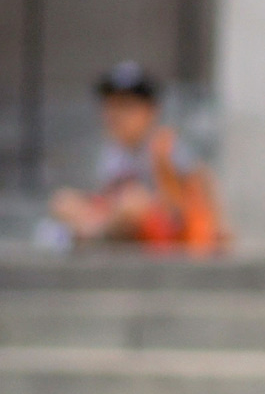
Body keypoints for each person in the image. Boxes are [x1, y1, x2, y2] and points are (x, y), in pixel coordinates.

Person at [45, 62, 229, 253]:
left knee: (132, 202)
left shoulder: (163, 144)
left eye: (126, 107)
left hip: (166, 229)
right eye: (111, 106)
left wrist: (217, 229)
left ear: (150, 111)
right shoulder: (113, 151)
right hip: (119, 222)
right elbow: (106, 196)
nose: (115, 115)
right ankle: (89, 235)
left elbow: (202, 179)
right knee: (63, 201)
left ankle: (83, 236)